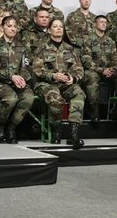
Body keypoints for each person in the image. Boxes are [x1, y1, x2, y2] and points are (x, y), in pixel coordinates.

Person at [32, 19, 86, 149]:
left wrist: (72, 78)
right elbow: (37, 69)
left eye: (61, 27)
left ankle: (73, 134)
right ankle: (56, 131)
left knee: (79, 93)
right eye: (55, 26)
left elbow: (79, 69)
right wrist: (53, 76)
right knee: (55, 98)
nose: (59, 29)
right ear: (49, 30)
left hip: (65, 84)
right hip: (46, 84)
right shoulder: (42, 48)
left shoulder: (70, 49)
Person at [0, 16, 34, 144]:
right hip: (0, 82)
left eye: (15, 26)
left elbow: (25, 67)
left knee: (28, 98)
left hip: (18, 82)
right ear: (2, 27)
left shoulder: (21, 47)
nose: (13, 29)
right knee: (11, 98)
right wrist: (10, 76)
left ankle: (12, 128)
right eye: (9, 26)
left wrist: (22, 79)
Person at [81, 15, 117, 124]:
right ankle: (94, 112)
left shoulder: (110, 41)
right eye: (101, 22)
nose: (103, 24)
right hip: (93, 70)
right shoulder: (88, 39)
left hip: (108, 71)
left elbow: (115, 60)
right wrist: (102, 70)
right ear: (95, 24)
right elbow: (86, 60)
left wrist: (112, 70)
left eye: (105, 22)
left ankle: (116, 111)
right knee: (92, 77)